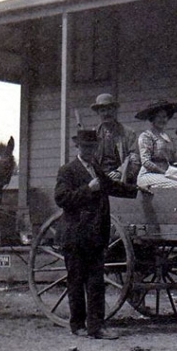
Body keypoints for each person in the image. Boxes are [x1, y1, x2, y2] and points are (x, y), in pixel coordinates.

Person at [53, 129, 125, 340]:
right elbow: (62, 199)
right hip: (75, 235)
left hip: (95, 235)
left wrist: (137, 191)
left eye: (92, 147)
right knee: (76, 281)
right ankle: (78, 325)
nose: (88, 150)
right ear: (78, 147)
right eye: (85, 147)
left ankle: (96, 327)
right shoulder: (67, 170)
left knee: (96, 282)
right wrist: (89, 189)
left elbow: (113, 186)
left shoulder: (96, 169)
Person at [135, 99, 177, 189]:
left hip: (166, 174)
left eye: (164, 117)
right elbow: (146, 162)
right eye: (158, 117)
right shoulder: (146, 136)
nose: (162, 120)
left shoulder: (168, 138)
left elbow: (174, 160)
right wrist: (164, 172)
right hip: (148, 175)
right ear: (153, 118)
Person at [92, 93, 141, 184]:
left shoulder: (128, 133)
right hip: (99, 178)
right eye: (103, 110)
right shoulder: (93, 134)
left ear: (115, 111)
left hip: (122, 178)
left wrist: (120, 172)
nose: (107, 113)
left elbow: (135, 158)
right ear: (98, 113)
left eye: (110, 109)